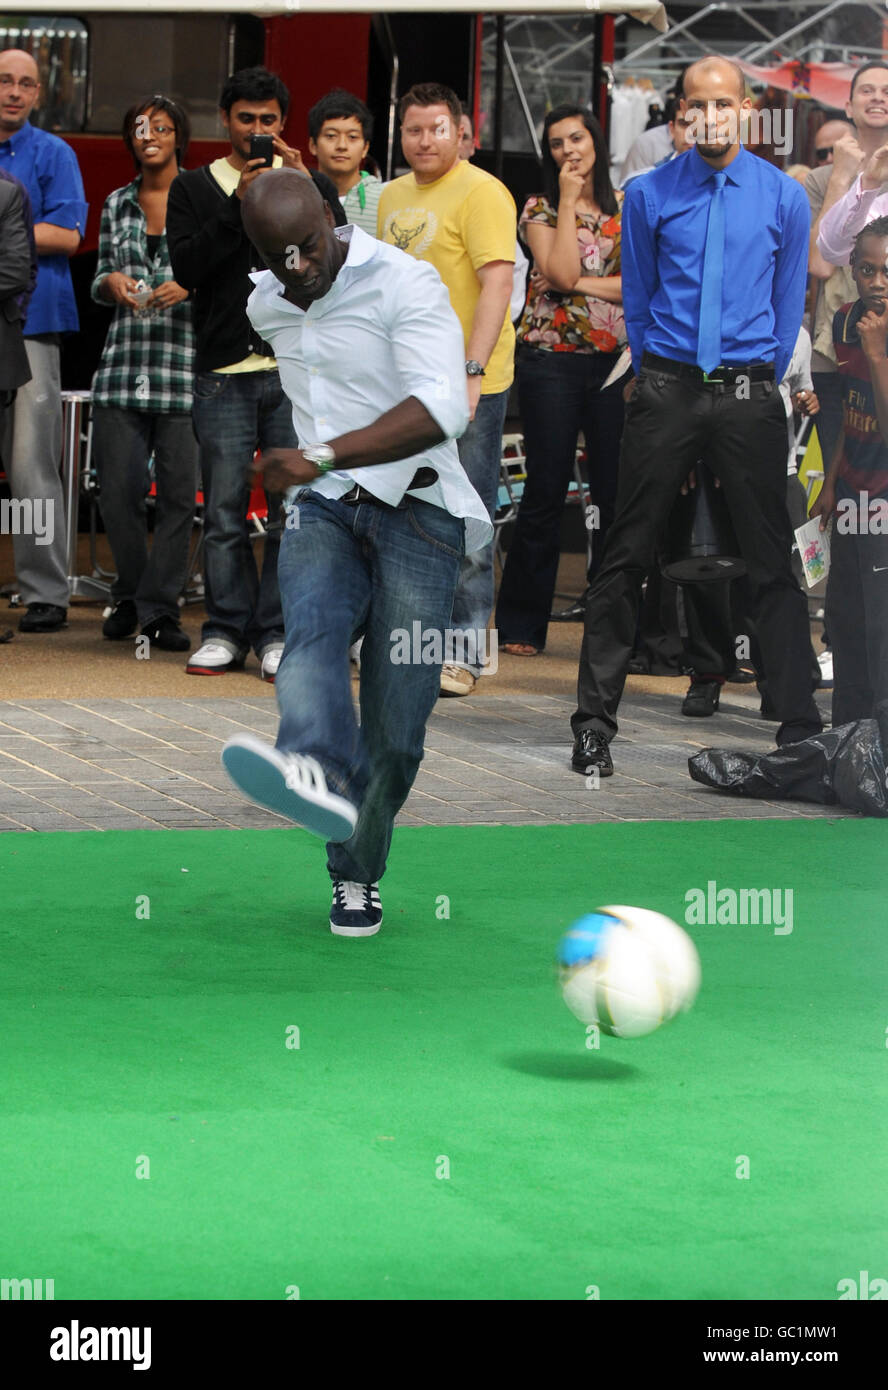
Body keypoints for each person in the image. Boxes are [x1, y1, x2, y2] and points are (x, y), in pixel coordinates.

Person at [220, 170, 490, 935]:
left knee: (398, 730)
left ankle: (359, 867)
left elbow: (441, 410)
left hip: (422, 514)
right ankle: (309, 765)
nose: (298, 267)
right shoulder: (265, 305)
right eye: (279, 258)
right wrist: (306, 473)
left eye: (307, 246)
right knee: (310, 628)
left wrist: (320, 455)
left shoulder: (406, 283)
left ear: (333, 221)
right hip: (325, 512)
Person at [570, 55, 822, 779]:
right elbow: (641, 302)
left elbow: (787, 307)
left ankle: (801, 724)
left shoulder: (783, 196)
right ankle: (592, 726)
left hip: (748, 392)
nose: (711, 115)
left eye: (725, 102)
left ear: (746, 109)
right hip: (668, 387)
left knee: (772, 560)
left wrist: (760, 379)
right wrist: (655, 378)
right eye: (697, 104)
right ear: (681, 113)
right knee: (626, 557)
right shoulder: (647, 194)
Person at [166, 65, 344, 681]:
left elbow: (340, 252)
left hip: (294, 373)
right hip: (223, 373)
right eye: (247, 119)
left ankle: (275, 633)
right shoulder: (193, 187)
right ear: (225, 120)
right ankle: (222, 629)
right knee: (223, 510)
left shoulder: (307, 181)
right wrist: (235, 206)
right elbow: (186, 269)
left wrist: (303, 184)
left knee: (294, 510)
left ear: (283, 124)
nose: (258, 130)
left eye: (269, 120)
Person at [378, 82, 515, 697]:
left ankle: (462, 650)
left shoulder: (485, 191)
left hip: (469, 380)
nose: (424, 139)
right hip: (407, 381)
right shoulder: (389, 196)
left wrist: (472, 372)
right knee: (405, 512)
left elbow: (497, 286)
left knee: (467, 514)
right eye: (414, 129)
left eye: (437, 128)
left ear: (461, 132)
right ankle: (410, 639)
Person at [494, 106, 626, 656]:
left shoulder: (629, 208)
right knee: (545, 491)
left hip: (617, 363)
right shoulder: (540, 208)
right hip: (551, 360)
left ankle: (618, 626)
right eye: (555, 143)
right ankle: (523, 624)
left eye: (577, 137)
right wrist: (570, 201)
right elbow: (563, 270)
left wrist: (579, 287)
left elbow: (641, 286)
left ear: (596, 140)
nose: (568, 149)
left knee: (616, 495)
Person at [90, 95, 197, 653]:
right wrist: (108, 282)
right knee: (118, 493)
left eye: (161, 127)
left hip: (182, 370)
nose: (149, 135)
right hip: (123, 366)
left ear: (179, 135)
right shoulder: (116, 203)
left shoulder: (201, 200)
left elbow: (229, 281)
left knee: (180, 499)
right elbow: (102, 274)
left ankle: (160, 611)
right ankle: (131, 594)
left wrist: (191, 286)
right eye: (140, 128)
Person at [0, 48, 87, 634]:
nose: (14, 91)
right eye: (4, 80)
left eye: (26, 84)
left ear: (38, 94)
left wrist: (5, 226)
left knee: (30, 464)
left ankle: (45, 592)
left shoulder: (54, 153)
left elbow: (69, 234)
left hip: (29, 321)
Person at [811, 216, 888, 733]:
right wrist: (831, 482)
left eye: (887, 271)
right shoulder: (843, 323)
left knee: (882, 631)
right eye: (867, 270)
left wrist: (878, 353)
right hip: (853, 498)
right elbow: (847, 413)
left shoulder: (872, 336)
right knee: (846, 620)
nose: (878, 281)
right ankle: (848, 739)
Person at [457, 105, 528, 322]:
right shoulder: (392, 193)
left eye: (464, 137)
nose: (456, 144)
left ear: (472, 147)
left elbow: (514, 273)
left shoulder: (489, 196)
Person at [307, 88, 383, 237]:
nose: (342, 145)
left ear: (365, 148)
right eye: (331, 136)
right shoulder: (299, 196)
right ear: (313, 145)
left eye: (352, 137)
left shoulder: (384, 198)